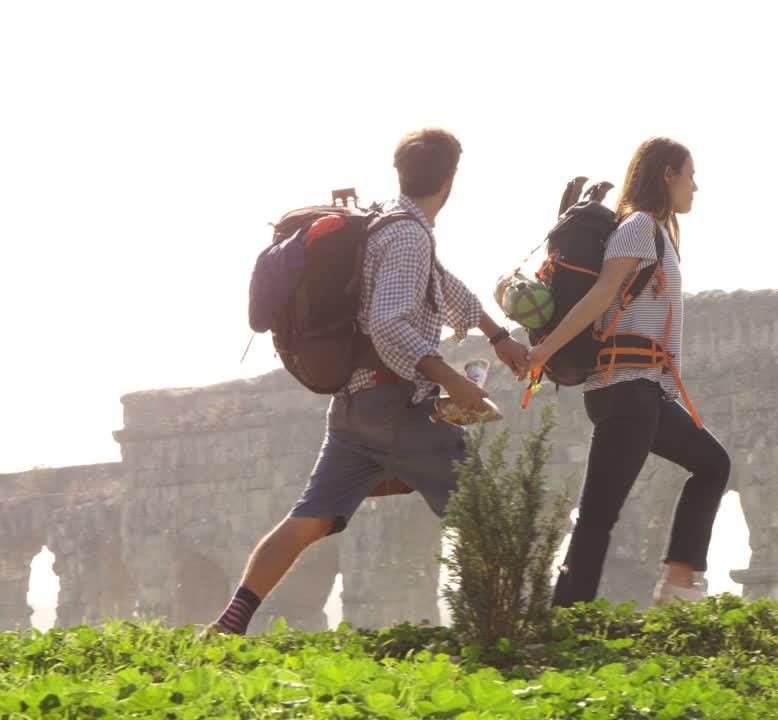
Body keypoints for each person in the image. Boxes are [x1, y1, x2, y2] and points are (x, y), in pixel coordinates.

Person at [207, 128, 529, 635]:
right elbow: (388, 322)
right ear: (450, 180)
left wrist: (497, 334)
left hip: (353, 409)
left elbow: (443, 286)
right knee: (481, 509)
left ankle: (229, 623)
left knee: (308, 520)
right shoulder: (406, 234)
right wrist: (453, 381)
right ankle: (508, 629)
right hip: (395, 404)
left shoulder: (386, 224)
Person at [527, 137, 731, 607]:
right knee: (599, 514)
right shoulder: (639, 225)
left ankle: (678, 586)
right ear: (667, 175)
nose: (696, 187)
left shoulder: (655, 230)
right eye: (690, 174)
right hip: (625, 390)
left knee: (712, 464)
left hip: (644, 391)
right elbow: (601, 295)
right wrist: (544, 352)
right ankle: (569, 614)